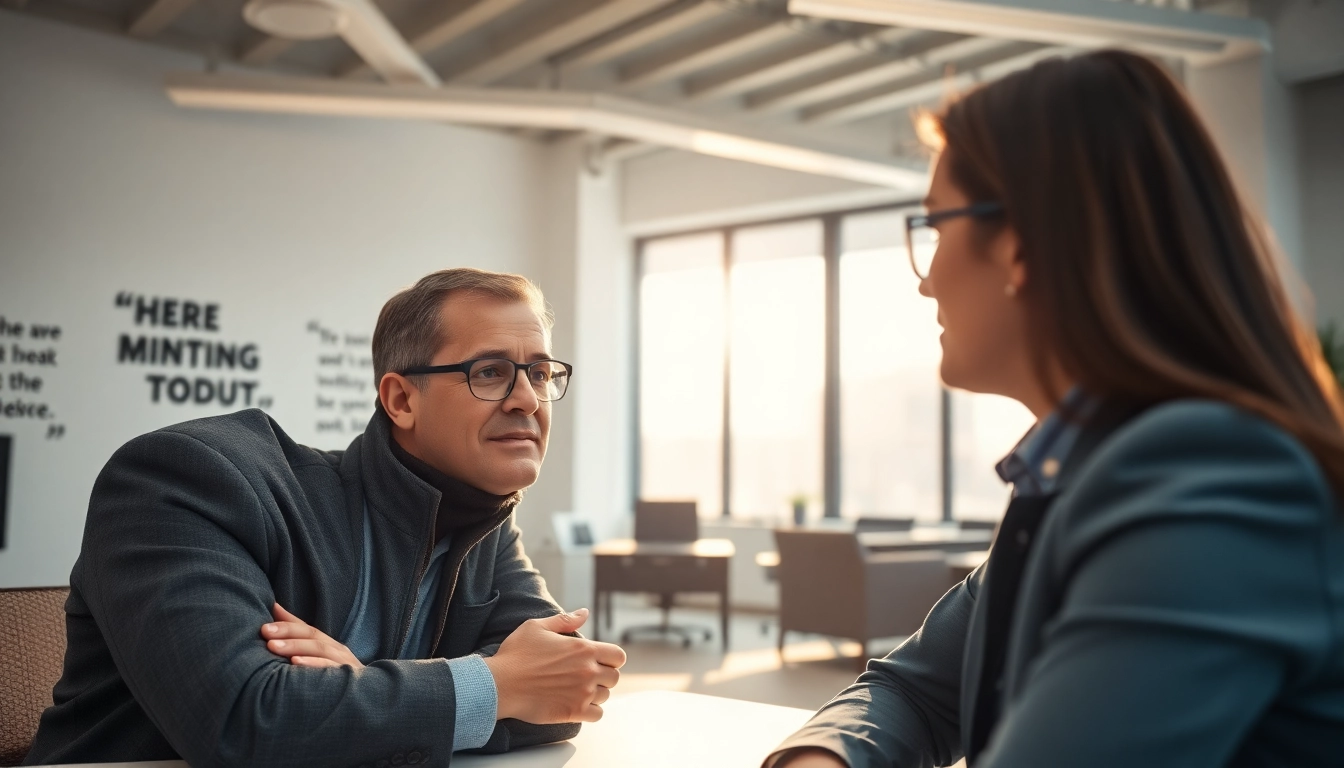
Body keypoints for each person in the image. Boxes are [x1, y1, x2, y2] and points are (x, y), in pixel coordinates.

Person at [766, 50, 1344, 768]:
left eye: (936, 230)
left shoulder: (1208, 481)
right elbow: (916, 692)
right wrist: (822, 760)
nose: (927, 282)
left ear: (1017, 247)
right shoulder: (1070, 470)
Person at [24, 268, 627, 768]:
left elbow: (565, 693)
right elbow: (243, 724)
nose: (526, 398)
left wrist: (360, 685)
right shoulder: (190, 477)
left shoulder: (485, 524)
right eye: (490, 372)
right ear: (400, 400)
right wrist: (492, 686)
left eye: (542, 373)